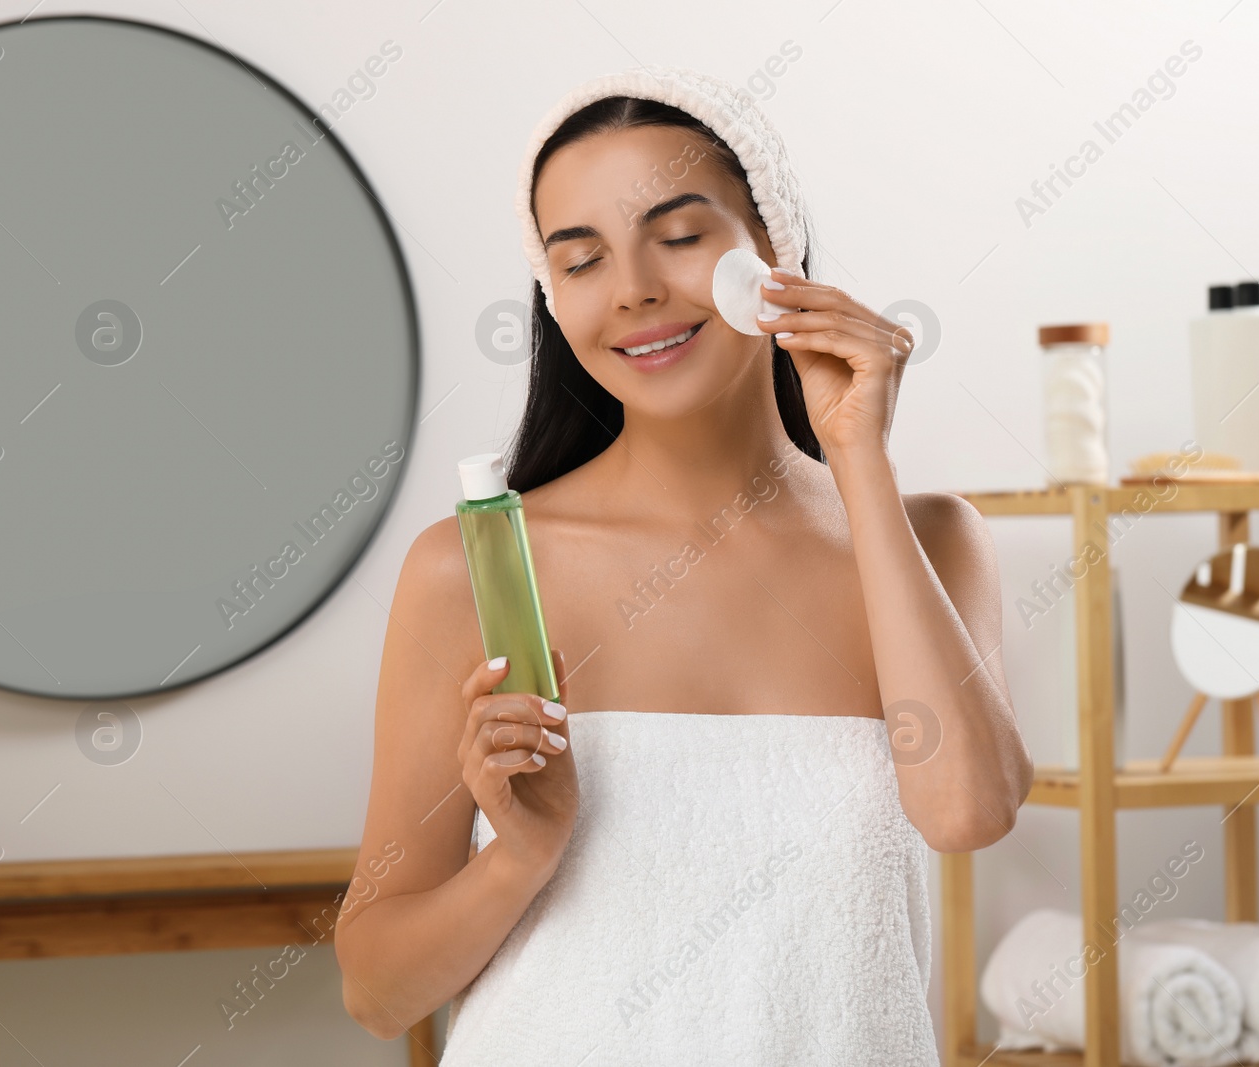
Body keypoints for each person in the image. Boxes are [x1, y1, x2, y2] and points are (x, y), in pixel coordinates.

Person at [334, 65, 1032, 1064]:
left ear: (772, 248)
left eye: (678, 234)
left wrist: (859, 459)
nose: (634, 290)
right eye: (581, 261)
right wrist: (519, 859)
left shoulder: (930, 540)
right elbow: (373, 986)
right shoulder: (478, 569)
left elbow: (967, 810)